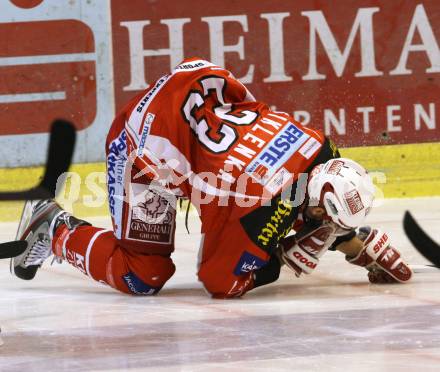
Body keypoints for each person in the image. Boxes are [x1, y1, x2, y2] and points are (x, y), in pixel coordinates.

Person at [10, 58, 413, 298]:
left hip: (197, 87)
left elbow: (308, 200)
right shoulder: (256, 212)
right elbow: (219, 281)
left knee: (269, 202)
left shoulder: (318, 145)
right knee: (142, 276)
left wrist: (353, 244)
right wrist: (285, 262)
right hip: (145, 139)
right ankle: (55, 229)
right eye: (325, 219)